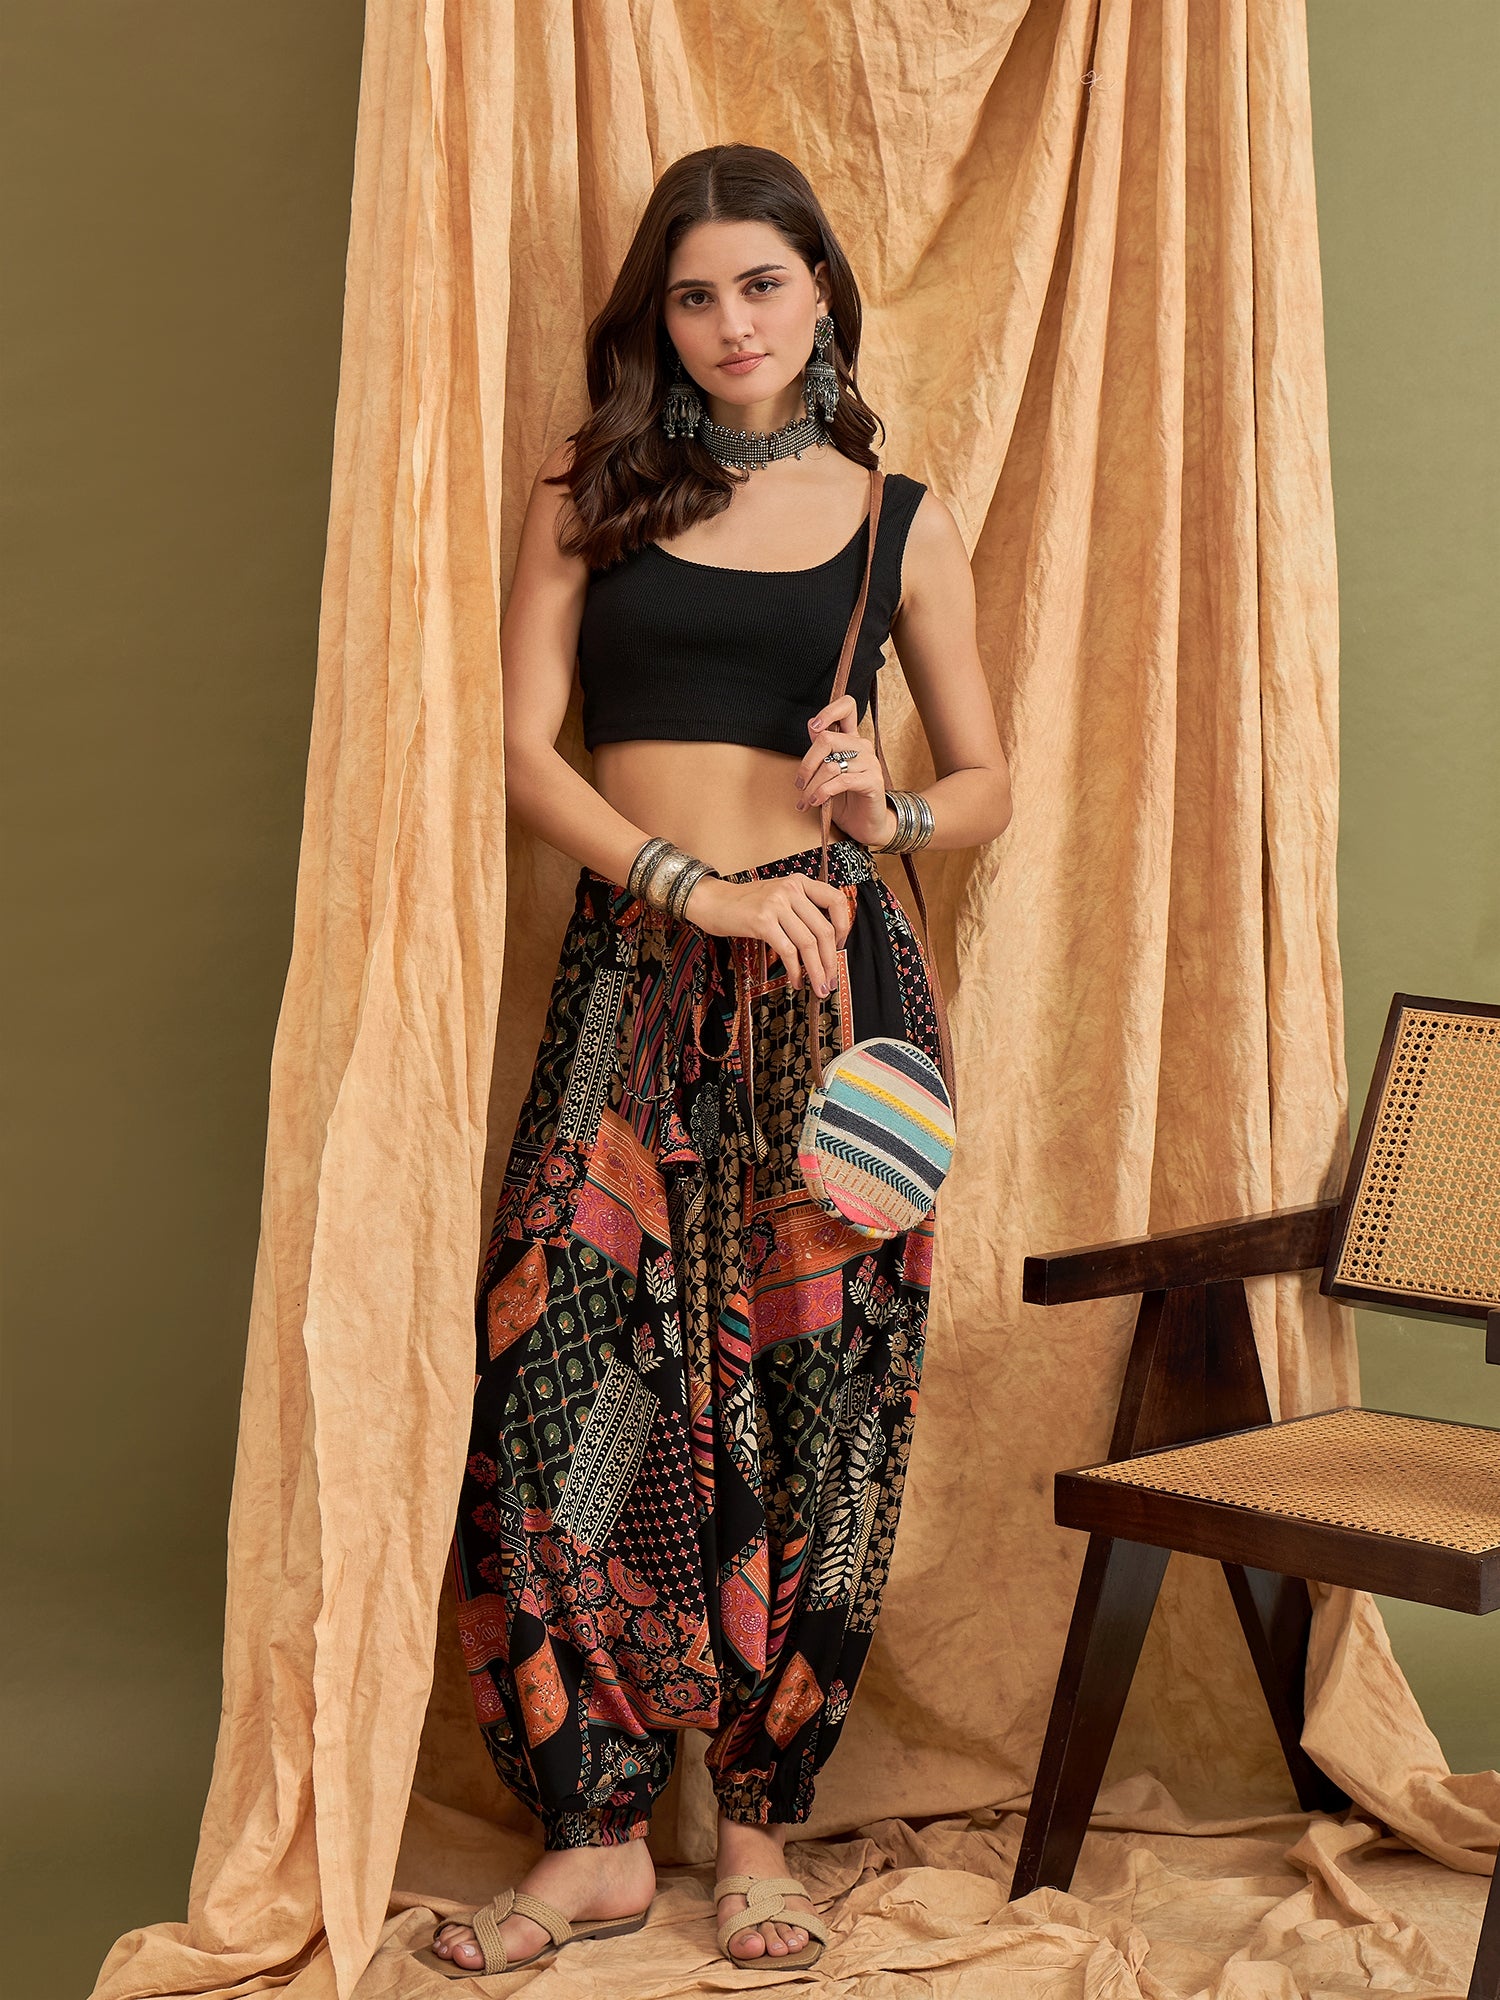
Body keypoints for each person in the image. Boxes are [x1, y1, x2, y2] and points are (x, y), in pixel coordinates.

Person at [418, 141, 1010, 1981]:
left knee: (821, 1407)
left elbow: (989, 780)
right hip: (637, 972)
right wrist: (690, 887)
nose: (733, 322)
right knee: (559, 1380)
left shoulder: (898, 519)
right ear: (656, 320)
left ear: (820, 290)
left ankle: (758, 1828)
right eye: (695, 294)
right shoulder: (590, 494)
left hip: (832, 996)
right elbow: (522, 749)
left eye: (762, 283)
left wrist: (890, 808)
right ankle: (592, 1836)